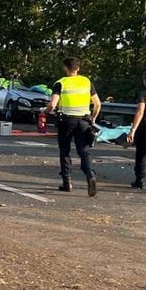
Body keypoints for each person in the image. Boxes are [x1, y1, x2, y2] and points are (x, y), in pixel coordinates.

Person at [41, 57, 101, 196]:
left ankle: (67, 182)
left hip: (67, 121)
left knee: (65, 151)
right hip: (84, 121)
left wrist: (45, 112)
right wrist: (93, 118)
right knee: (83, 151)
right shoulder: (86, 81)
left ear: (65, 68)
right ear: (78, 68)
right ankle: (90, 174)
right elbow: (97, 104)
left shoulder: (61, 83)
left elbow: (52, 105)